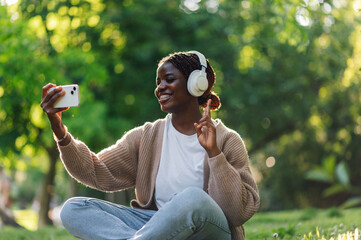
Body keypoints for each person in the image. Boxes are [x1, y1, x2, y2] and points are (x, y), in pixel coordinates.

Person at [40, 51, 260, 240]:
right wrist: (59, 128)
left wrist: (214, 153)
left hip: (207, 231)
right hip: (154, 227)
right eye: (158, 82)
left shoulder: (227, 140)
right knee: (74, 208)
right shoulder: (147, 137)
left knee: (193, 197)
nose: (160, 88)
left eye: (169, 79)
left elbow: (237, 213)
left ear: (196, 84)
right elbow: (96, 170)